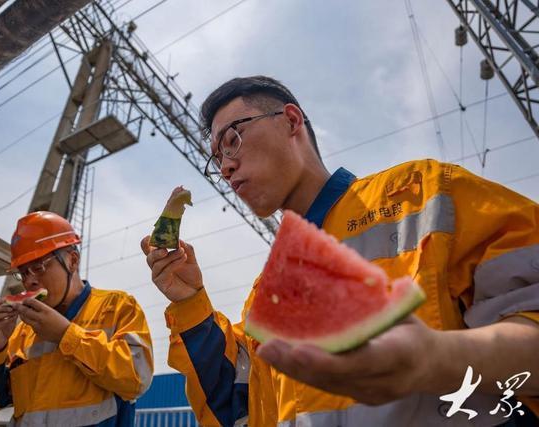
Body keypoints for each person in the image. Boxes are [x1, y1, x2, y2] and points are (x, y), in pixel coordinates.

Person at [140, 75, 539, 426]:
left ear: (291, 121)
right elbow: (239, 406)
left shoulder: (422, 196)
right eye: (216, 158)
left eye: (232, 140)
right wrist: (191, 302)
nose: (225, 167)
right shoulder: (266, 293)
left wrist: (437, 358)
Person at [0, 211, 153, 426]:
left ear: (72, 260)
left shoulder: (117, 307)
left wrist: (65, 335)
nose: (29, 281)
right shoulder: (22, 331)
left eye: (38, 267)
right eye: (23, 272)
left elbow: (137, 379)